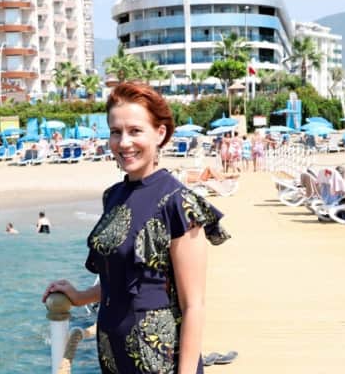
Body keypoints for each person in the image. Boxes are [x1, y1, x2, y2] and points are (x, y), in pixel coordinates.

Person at [42, 82, 231, 374]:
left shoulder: (179, 202)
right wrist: (80, 296)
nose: (124, 142)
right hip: (113, 356)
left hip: (160, 361)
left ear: (160, 133)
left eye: (135, 131)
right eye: (116, 132)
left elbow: (193, 305)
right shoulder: (113, 196)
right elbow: (124, 277)